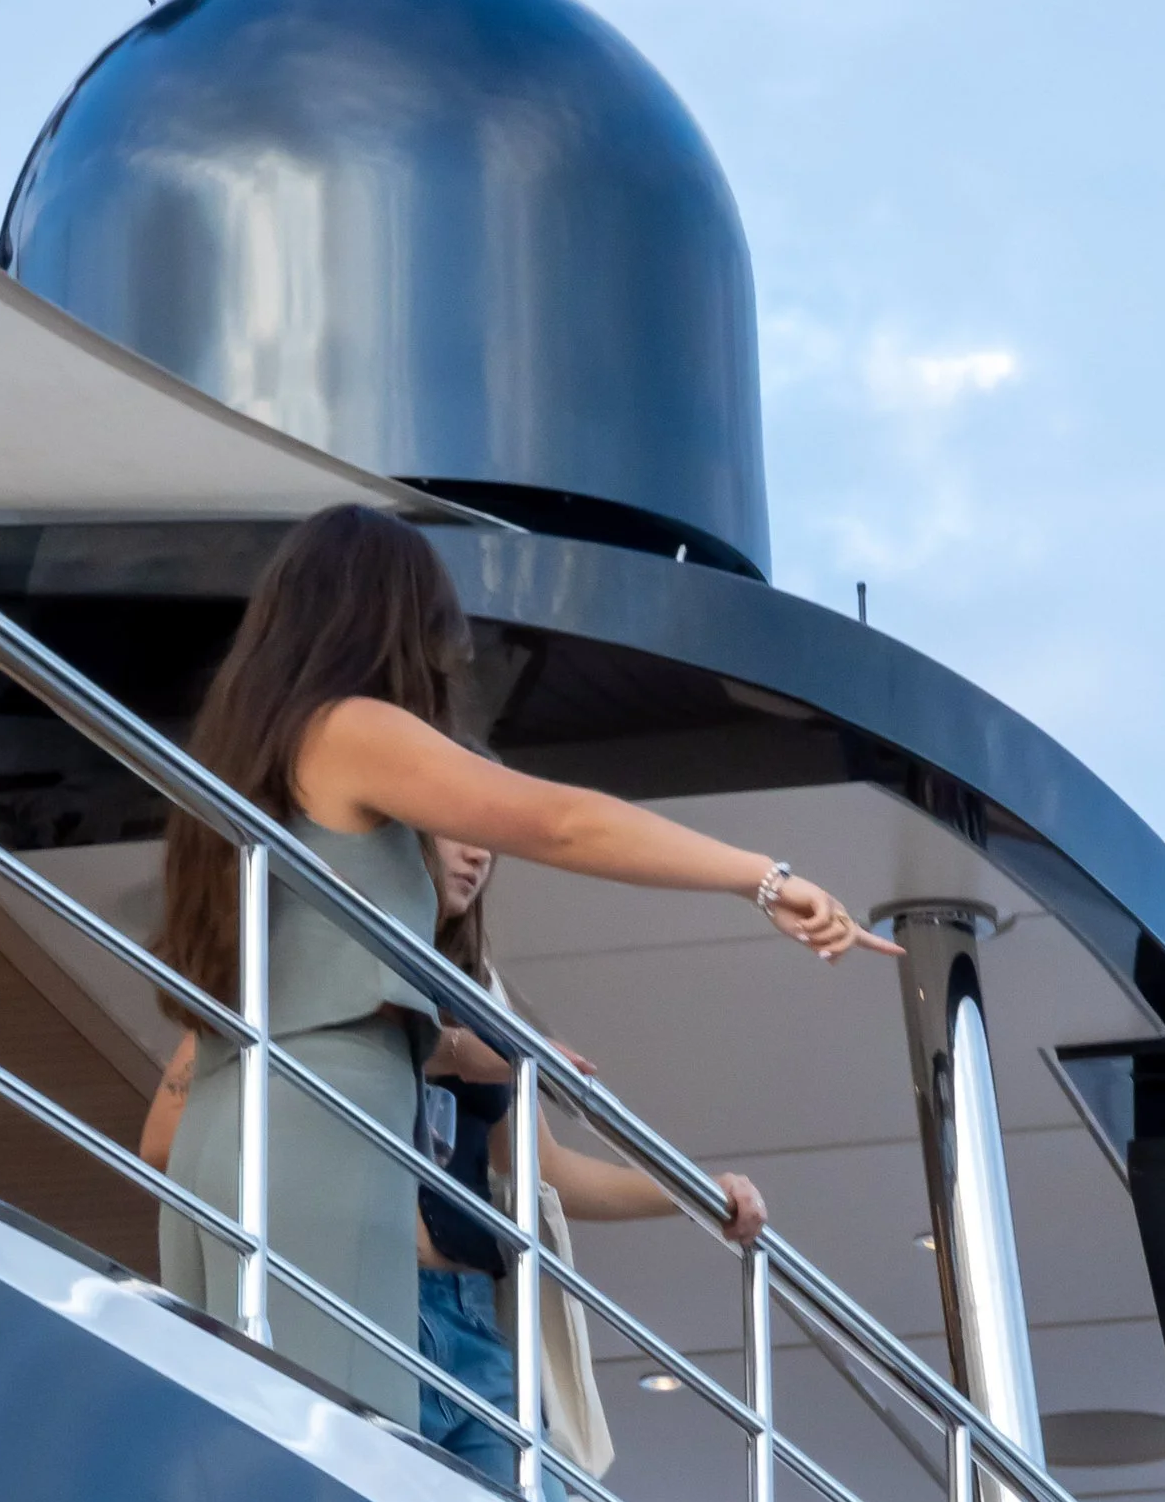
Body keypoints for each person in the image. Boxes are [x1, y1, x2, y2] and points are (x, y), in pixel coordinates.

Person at [153, 505, 878, 1425]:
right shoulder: (346, 729)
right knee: (338, 1467)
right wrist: (759, 877)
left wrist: (451, 1052)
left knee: (250, 1453)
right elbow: (559, 821)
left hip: (227, 1127)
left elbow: (296, 979)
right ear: (388, 621)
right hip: (319, 1133)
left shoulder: (238, 757)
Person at [416, 830, 767, 1502]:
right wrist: (459, 1051)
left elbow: (546, 1170)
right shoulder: (337, 953)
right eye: (454, 829)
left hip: (475, 1318)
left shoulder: (476, 982)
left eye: (489, 837)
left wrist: (696, 1192)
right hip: (380, 1292)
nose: (479, 852)